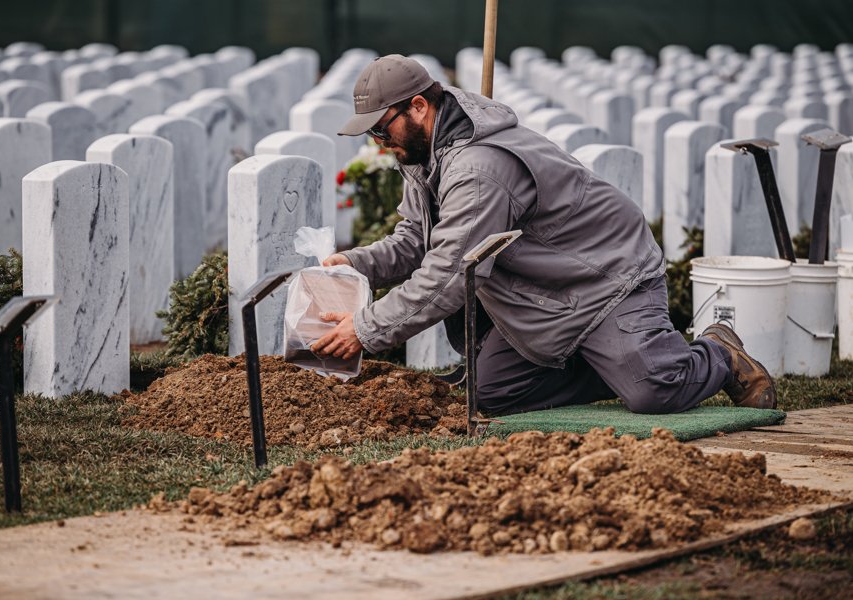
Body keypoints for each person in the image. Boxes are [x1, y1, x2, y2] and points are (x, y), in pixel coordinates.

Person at [311, 54, 776, 415]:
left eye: (380, 127)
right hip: (544, 296)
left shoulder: (477, 168)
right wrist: (359, 263)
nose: (378, 142)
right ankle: (619, 364)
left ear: (418, 106)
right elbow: (418, 238)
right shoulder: (423, 156)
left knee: (654, 392)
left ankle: (716, 352)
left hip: (605, 281)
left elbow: (451, 271)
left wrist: (368, 329)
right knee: (489, 394)